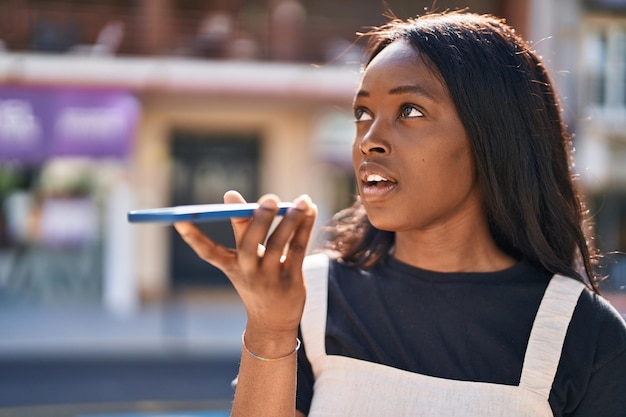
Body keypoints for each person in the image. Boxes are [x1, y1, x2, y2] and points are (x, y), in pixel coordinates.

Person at [174, 10, 626, 417]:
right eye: (362, 112)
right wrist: (270, 330)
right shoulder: (310, 297)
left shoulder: (586, 335)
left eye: (409, 110)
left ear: (494, 139)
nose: (369, 139)